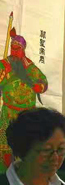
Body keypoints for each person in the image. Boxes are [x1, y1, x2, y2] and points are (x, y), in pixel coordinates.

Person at [0, 26, 48, 172]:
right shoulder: (3, 65)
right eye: (13, 48)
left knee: (27, 145)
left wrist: (40, 86)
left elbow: (43, 81)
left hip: (27, 114)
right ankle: (4, 175)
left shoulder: (29, 67)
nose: (14, 52)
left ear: (23, 50)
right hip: (9, 112)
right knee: (5, 146)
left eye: (18, 49)